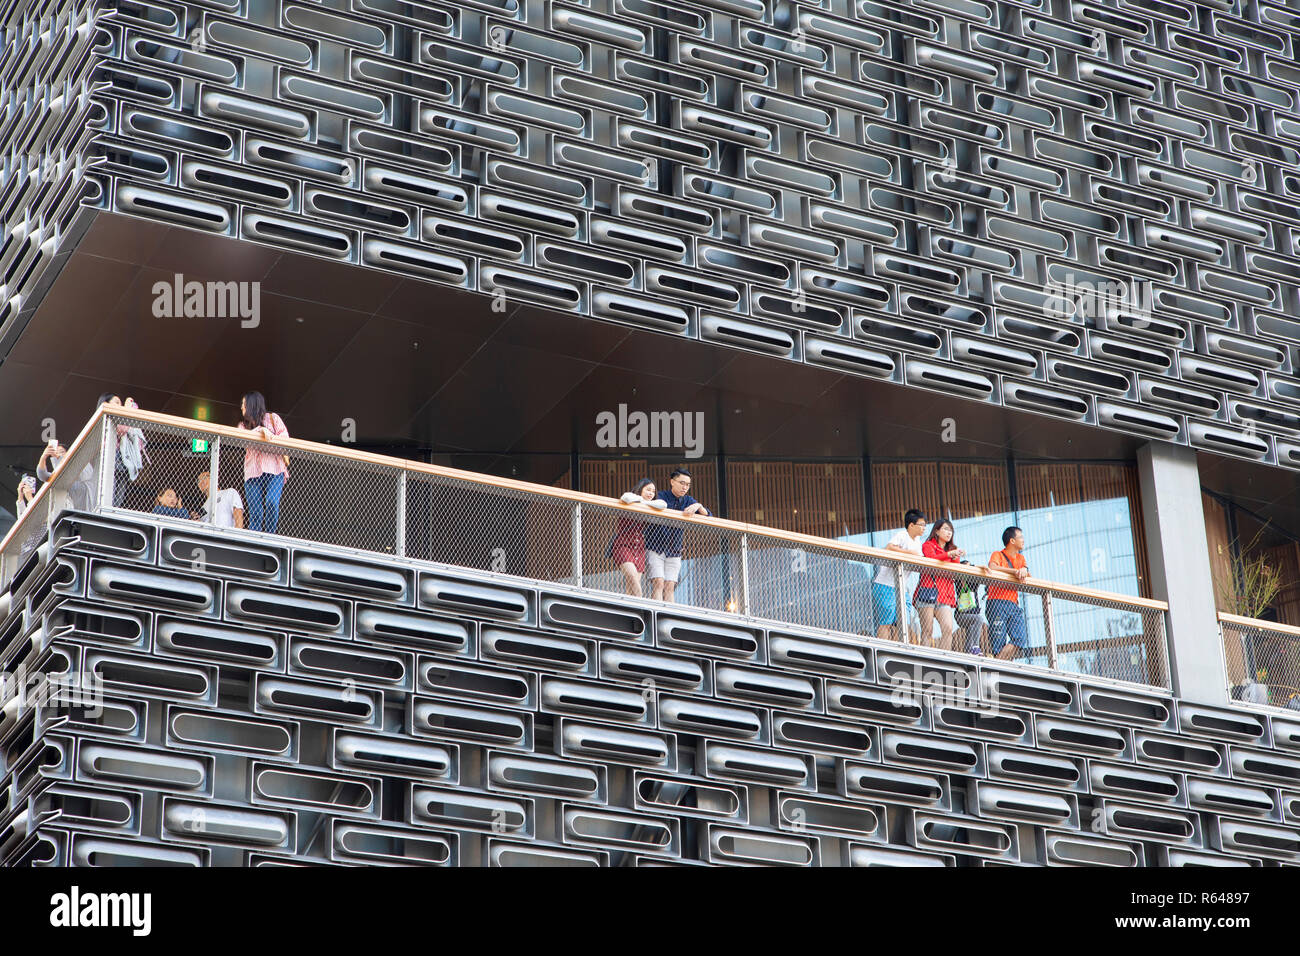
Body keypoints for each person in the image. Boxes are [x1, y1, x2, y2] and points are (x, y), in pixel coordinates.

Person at [645, 468, 711, 603]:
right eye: (682, 483)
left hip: (675, 550)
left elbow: (708, 516)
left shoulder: (688, 500)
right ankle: (656, 613)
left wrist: (698, 506)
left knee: (670, 585)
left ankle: (668, 616)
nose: (684, 487)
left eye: (687, 484)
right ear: (672, 482)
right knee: (658, 582)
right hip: (654, 546)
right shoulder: (661, 496)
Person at [236, 391, 289, 533]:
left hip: (275, 469)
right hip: (253, 472)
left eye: (243, 405)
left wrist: (267, 433)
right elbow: (248, 442)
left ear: (251, 405)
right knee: (256, 513)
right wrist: (263, 431)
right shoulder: (242, 426)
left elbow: (285, 438)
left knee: (272, 502)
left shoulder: (273, 418)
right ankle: (255, 541)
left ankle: (270, 537)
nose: (241, 408)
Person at [873, 509, 926, 641]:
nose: (924, 528)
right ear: (911, 525)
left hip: (901, 587)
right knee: (886, 621)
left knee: (903, 620)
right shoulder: (903, 535)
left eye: (925, 525)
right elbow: (889, 547)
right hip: (885, 585)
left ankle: (900, 647)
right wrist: (910, 553)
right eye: (921, 524)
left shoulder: (917, 541)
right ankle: (883, 646)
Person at [610, 479, 667, 597]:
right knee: (632, 576)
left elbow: (663, 504)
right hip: (623, 544)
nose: (651, 493)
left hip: (639, 548)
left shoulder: (650, 506)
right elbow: (625, 497)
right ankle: (641, 605)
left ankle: (629, 610)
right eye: (648, 490)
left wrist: (646, 503)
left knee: (631, 585)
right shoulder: (630, 499)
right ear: (640, 489)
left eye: (653, 491)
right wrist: (643, 502)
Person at [915, 518, 964, 651]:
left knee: (948, 628)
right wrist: (948, 555)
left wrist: (954, 556)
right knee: (927, 631)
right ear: (936, 531)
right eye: (946, 529)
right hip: (928, 592)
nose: (949, 533)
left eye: (951, 530)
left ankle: (944, 658)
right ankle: (925, 657)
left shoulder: (952, 549)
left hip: (944, 595)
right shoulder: (928, 545)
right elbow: (931, 559)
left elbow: (955, 572)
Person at [987, 526, 1031, 660]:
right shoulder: (998, 554)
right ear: (1012, 540)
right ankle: (999, 665)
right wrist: (1015, 571)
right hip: (996, 601)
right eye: (1021, 537)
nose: (1023, 540)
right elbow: (992, 567)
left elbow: (1026, 573)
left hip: (1013, 603)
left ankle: (997, 664)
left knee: (1020, 638)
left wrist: (1022, 570)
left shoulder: (1020, 558)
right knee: (998, 642)